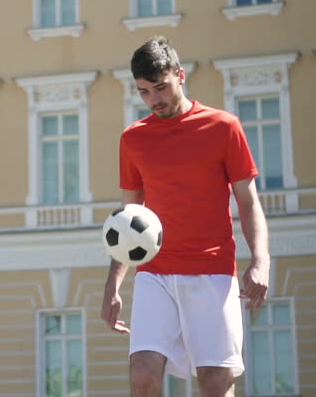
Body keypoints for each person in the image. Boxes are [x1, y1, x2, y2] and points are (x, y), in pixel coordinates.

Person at [100, 36, 270, 397]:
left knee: (214, 383)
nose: (154, 99)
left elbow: (248, 202)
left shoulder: (224, 127)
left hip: (213, 271)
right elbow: (128, 220)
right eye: (144, 92)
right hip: (155, 274)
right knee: (143, 373)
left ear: (180, 75)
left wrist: (261, 261)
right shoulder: (133, 139)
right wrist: (113, 284)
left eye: (160, 87)